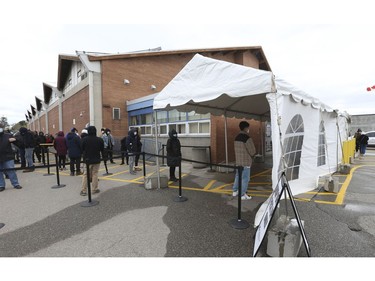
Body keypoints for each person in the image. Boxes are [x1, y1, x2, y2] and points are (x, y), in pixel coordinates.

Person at [232, 121, 256, 200]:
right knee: (245, 178)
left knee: (238, 176)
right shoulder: (247, 138)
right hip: (246, 161)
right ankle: (242, 194)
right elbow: (252, 151)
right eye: (248, 127)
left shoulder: (236, 137)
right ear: (246, 128)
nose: (249, 129)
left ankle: (235, 191)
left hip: (238, 161)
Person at [80, 126, 104, 196]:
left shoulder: (84, 139)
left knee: (85, 175)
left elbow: (82, 149)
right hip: (96, 159)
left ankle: (84, 190)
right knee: (95, 174)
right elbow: (102, 149)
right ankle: (95, 189)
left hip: (87, 160)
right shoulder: (99, 140)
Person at [0, 124, 22, 192]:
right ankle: (1, 185)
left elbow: (19, 141)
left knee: (11, 170)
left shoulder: (8, 135)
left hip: (8, 156)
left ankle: (15, 184)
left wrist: (15, 139)